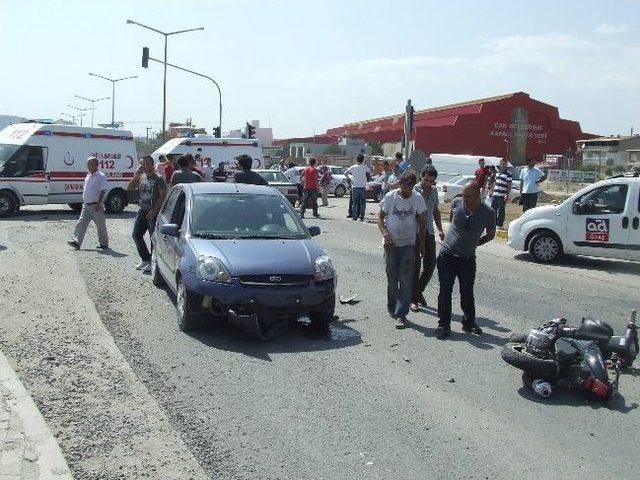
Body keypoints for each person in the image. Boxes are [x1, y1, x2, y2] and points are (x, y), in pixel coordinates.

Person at [436, 182, 496, 338]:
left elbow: (491, 234)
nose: (464, 199)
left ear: (478, 195)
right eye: (463, 195)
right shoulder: (457, 203)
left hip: (467, 260)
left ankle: (469, 323)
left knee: (467, 293)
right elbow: (453, 225)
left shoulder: (488, 212)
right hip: (447, 256)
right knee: (445, 292)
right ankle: (443, 325)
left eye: (468, 196)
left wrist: (475, 244)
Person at [378, 172, 426, 329]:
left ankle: (401, 314)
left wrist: (422, 244)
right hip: (391, 245)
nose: (406, 189)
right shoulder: (391, 197)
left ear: (413, 186)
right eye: (404, 185)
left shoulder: (417, 198)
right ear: (400, 184)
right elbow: (380, 217)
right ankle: (392, 307)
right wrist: (386, 234)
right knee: (392, 279)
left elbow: (421, 221)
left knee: (405, 281)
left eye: (410, 186)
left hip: (408, 245)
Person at [410, 166, 445, 311]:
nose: (428, 183)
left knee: (430, 265)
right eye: (426, 179)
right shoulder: (414, 191)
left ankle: (417, 292)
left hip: (429, 232)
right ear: (421, 177)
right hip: (415, 233)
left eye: (431, 181)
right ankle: (414, 299)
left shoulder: (434, 191)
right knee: (415, 266)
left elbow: (435, 211)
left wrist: (440, 229)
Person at [127, 156, 167, 274]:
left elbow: (163, 195)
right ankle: (146, 259)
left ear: (153, 165)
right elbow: (130, 188)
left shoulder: (158, 179)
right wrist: (137, 176)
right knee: (136, 235)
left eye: (148, 164)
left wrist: (154, 210)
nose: (145, 166)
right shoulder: (142, 177)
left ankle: (154, 263)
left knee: (152, 238)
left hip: (153, 212)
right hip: (142, 210)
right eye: (143, 164)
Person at [67, 156, 109, 250]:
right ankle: (77, 241)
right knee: (81, 223)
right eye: (87, 164)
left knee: (100, 225)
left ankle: (104, 244)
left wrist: (99, 203)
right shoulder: (88, 175)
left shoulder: (101, 176)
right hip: (86, 205)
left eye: (89, 164)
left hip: (96, 205)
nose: (88, 166)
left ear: (96, 165)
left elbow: (103, 190)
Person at [345, 154, 369, 221]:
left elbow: (345, 173)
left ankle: (354, 217)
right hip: (363, 186)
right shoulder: (364, 167)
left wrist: (350, 179)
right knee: (363, 203)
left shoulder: (353, 167)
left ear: (357, 159)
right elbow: (370, 171)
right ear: (363, 160)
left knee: (355, 203)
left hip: (355, 186)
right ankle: (362, 217)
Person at [490, 158, 512, 229]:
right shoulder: (497, 173)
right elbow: (495, 183)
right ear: (500, 164)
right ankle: (493, 223)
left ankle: (499, 225)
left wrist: (507, 194)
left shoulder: (508, 174)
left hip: (502, 195)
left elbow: (509, 185)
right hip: (495, 194)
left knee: (501, 210)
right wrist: (491, 191)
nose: (503, 165)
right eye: (502, 164)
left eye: (505, 164)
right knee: (493, 210)